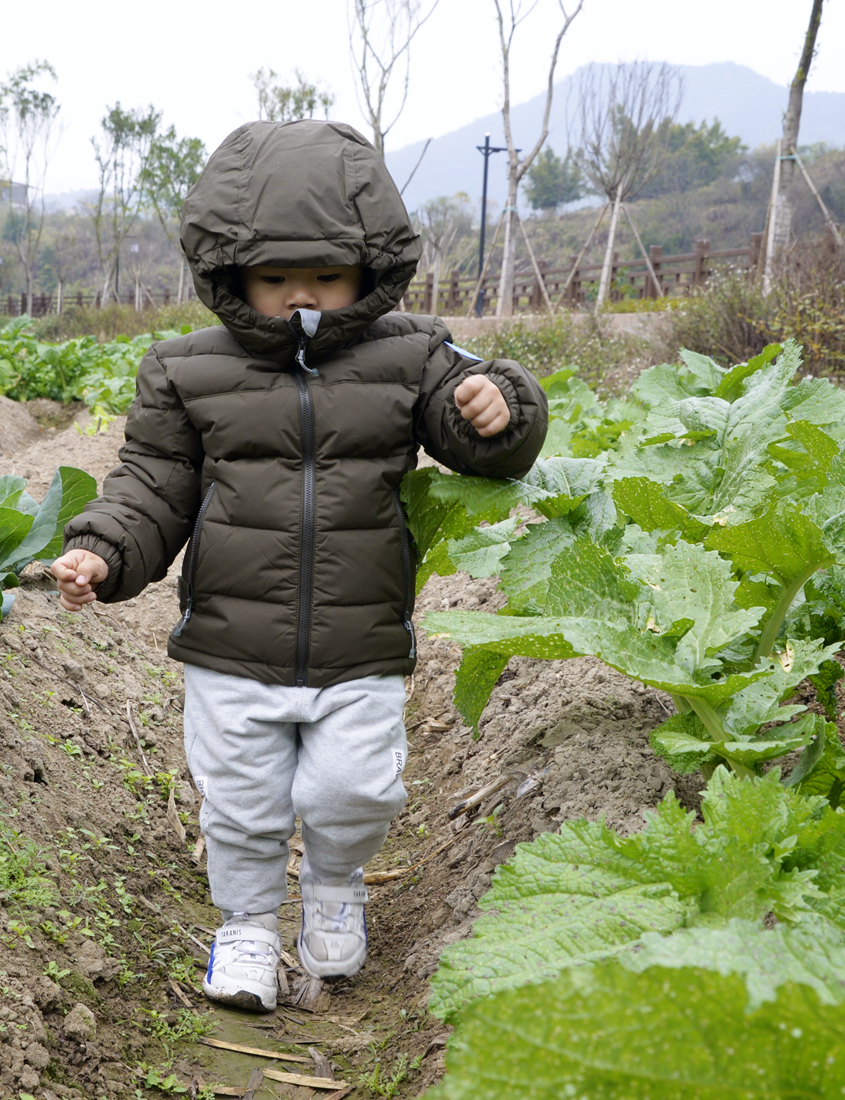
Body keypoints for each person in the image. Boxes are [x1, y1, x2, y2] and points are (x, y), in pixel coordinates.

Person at [50, 119, 548, 1011]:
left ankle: (333, 888)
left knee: (355, 788)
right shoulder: (185, 371)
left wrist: (497, 406)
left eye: (324, 274)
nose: (300, 297)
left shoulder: (414, 355)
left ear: (372, 268)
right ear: (230, 276)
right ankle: (244, 926)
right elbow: (151, 485)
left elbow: (480, 441)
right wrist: (104, 549)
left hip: (360, 642)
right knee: (242, 805)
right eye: (275, 278)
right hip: (230, 646)